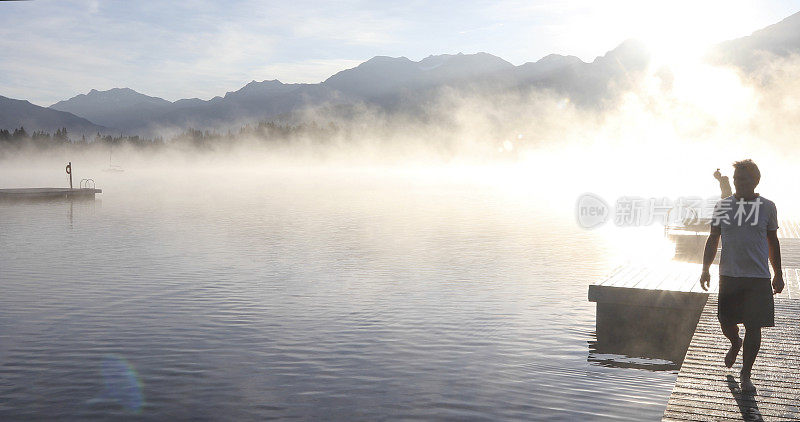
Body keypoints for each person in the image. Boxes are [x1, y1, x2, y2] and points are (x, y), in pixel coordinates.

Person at [700, 159, 784, 393]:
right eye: (736, 179)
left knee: (754, 326)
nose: (738, 184)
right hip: (729, 274)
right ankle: (735, 342)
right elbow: (713, 238)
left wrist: (777, 273)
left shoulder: (768, 207)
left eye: (743, 179)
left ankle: (746, 374)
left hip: (757, 277)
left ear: (755, 181)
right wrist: (705, 268)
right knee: (725, 321)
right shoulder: (723, 206)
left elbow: (772, 241)